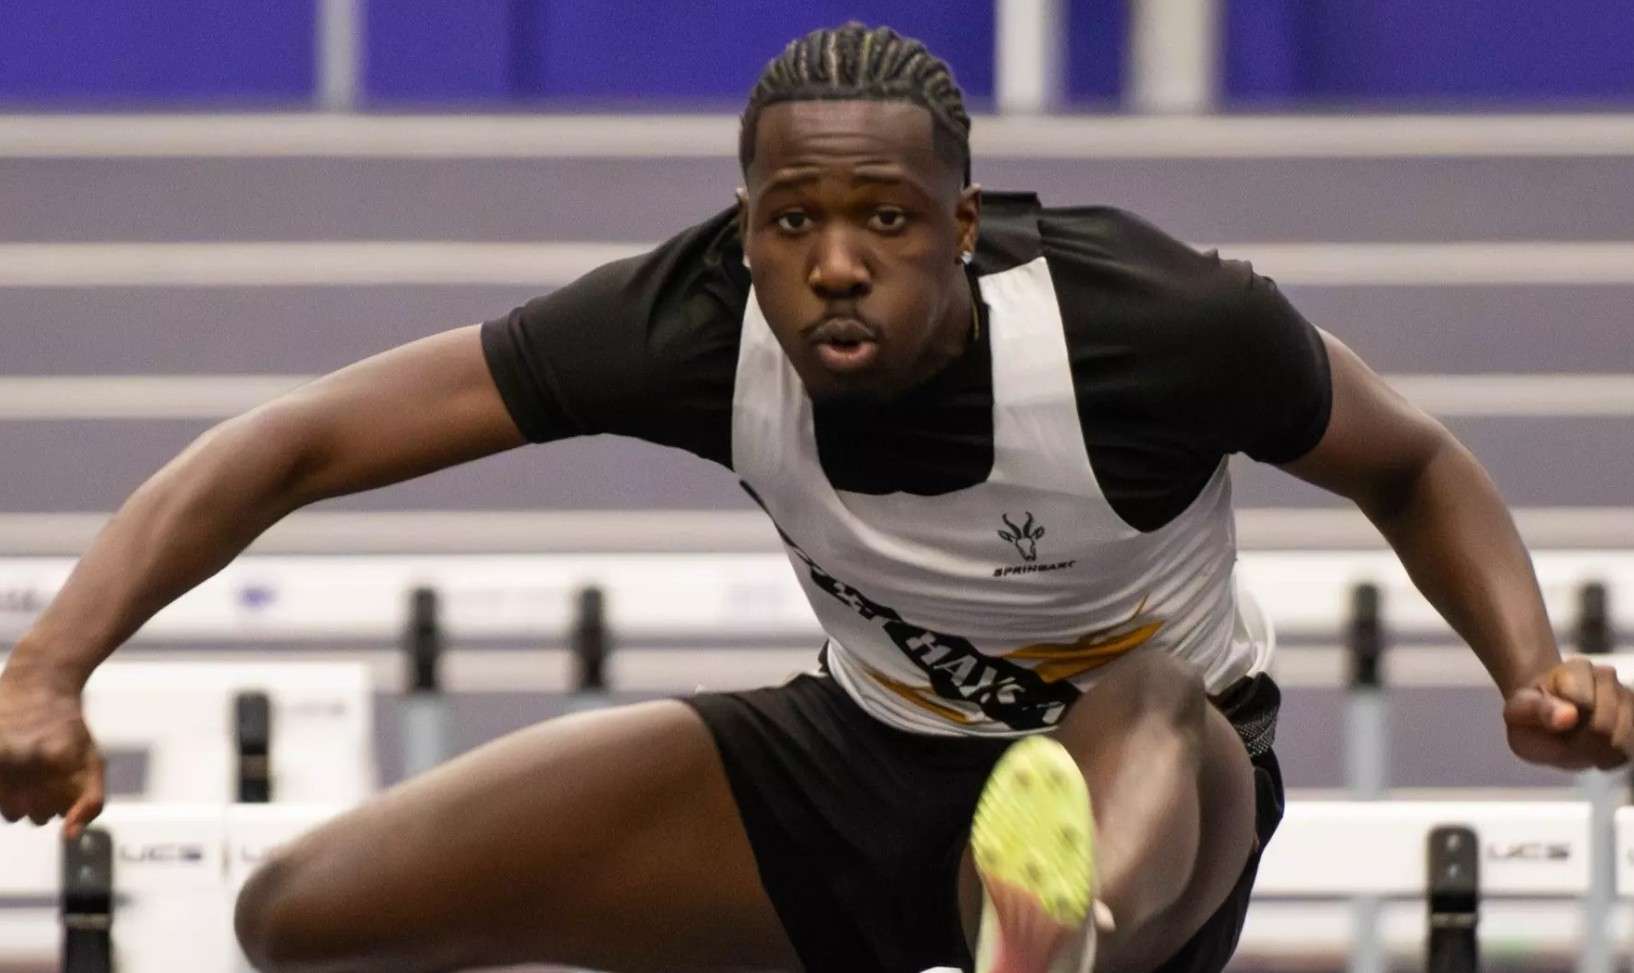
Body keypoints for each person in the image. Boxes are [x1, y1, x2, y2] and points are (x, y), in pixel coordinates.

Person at [0, 22, 1629, 973]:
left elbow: (1408, 458)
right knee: (305, 916)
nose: (832, 260)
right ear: (745, 221)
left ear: (964, 220)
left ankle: (1033, 938)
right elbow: (296, 440)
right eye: (789, 219)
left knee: (1133, 693)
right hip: (866, 758)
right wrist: (52, 666)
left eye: (885, 219)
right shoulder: (696, 323)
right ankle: (996, 914)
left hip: (1161, 794)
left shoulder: (1158, 322)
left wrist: (1522, 665)